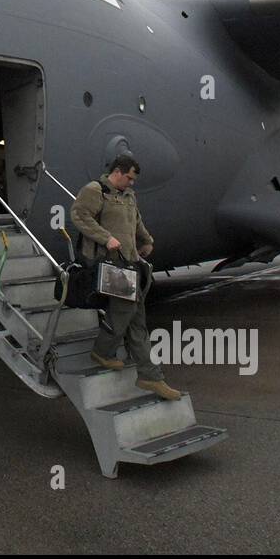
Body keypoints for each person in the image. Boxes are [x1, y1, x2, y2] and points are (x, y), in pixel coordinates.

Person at [70, 154, 182, 401]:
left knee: (138, 321)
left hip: (131, 263)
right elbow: (79, 215)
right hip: (112, 265)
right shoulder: (96, 191)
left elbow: (136, 221)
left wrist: (147, 240)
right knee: (124, 312)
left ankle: (150, 377)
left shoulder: (129, 196)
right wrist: (105, 237)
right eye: (129, 178)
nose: (131, 183)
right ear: (117, 172)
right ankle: (103, 352)